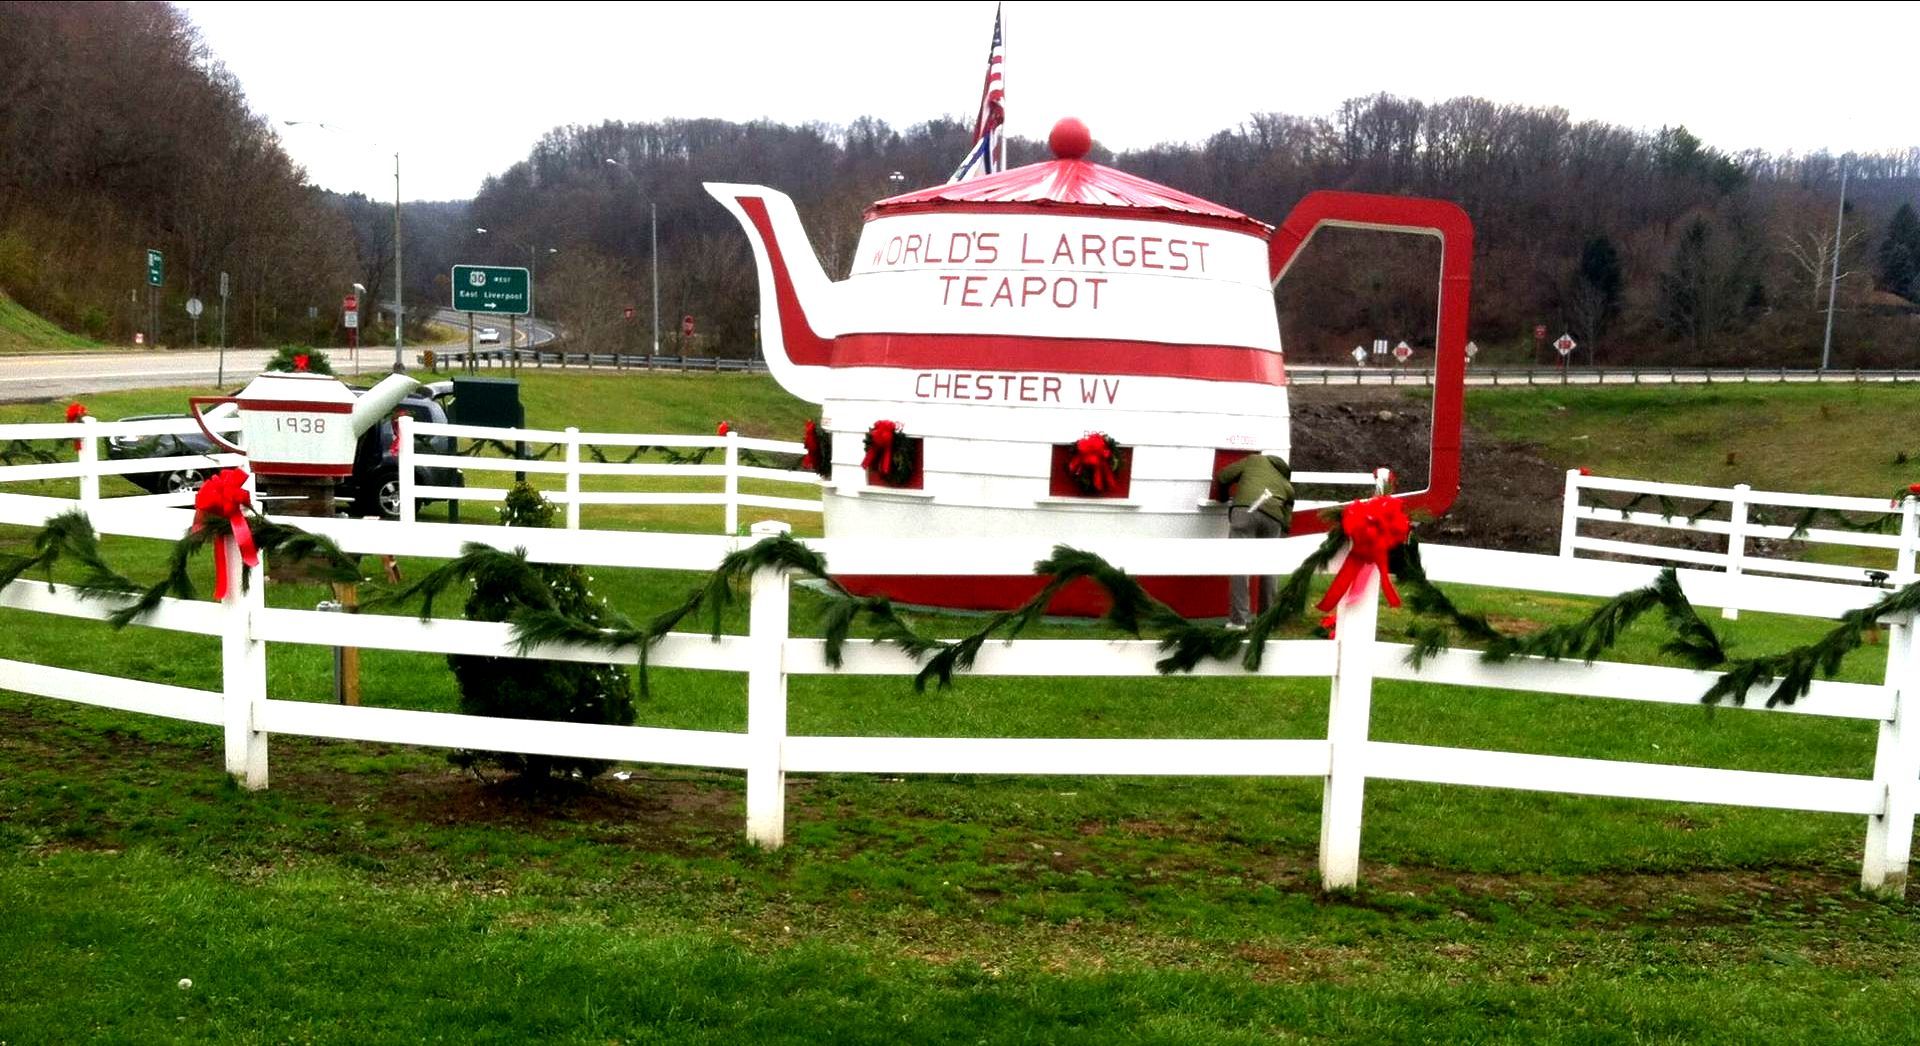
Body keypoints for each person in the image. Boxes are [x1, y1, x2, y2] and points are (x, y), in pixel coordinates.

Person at [1213, 452, 1295, 628]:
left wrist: (1223, 498)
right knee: (1269, 568)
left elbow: (1223, 476)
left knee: (1240, 565)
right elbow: (1287, 524)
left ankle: (1238, 620)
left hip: (1246, 512)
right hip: (1274, 520)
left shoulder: (1255, 460)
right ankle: (1268, 620)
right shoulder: (1287, 486)